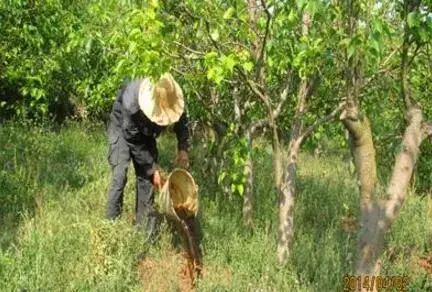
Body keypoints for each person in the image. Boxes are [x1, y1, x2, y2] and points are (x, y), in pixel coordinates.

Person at [106, 72, 190, 241]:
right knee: (120, 176)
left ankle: (144, 236)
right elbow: (132, 138)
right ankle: (110, 232)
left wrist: (183, 147)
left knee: (148, 180)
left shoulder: (170, 94)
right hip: (124, 126)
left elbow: (182, 120)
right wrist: (153, 168)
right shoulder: (132, 103)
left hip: (146, 131)